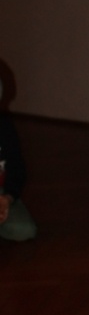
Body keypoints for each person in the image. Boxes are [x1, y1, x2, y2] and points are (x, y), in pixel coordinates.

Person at [0, 60, 37, 244]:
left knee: (25, 230)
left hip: (1, 194)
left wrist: (7, 198)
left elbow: (17, 168)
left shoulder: (5, 127)